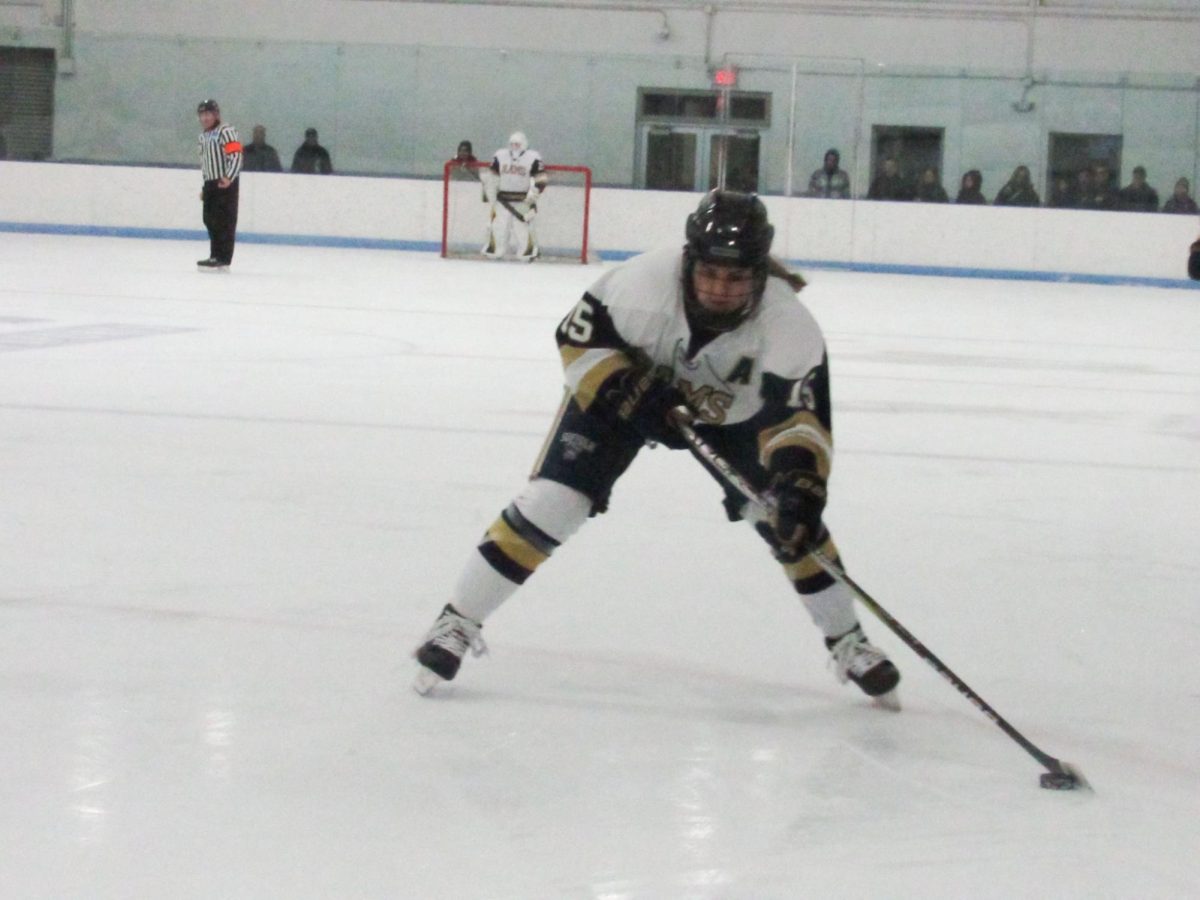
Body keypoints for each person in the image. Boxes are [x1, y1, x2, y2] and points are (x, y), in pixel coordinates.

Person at [413, 190, 902, 707]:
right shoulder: (639, 285)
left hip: (734, 417)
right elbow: (576, 341)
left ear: (759, 275)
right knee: (554, 502)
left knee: (786, 518)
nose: (719, 289)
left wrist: (799, 483)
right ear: (689, 262)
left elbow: (798, 421)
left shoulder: (789, 326)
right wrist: (623, 390)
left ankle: (848, 640)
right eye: (709, 273)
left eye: (736, 279)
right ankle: (456, 621)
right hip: (628, 393)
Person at [482, 131, 547, 261]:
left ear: (524, 144)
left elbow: (541, 179)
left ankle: (527, 253)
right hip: (502, 200)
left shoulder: (533, 157)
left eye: (517, 144)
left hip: (523, 200)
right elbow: (492, 176)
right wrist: (491, 196)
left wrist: (532, 197)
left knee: (523, 228)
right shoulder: (500, 155)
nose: (514, 147)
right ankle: (495, 251)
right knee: (498, 227)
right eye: (512, 144)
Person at [195, 99, 242, 270]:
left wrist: (229, 177)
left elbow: (236, 155)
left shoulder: (226, 131)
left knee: (224, 221)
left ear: (216, 115)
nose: (205, 118)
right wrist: (204, 186)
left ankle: (223, 258)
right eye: (202, 115)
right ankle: (215, 255)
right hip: (210, 183)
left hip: (225, 182)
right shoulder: (203, 136)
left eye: (208, 114)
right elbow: (206, 163)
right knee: (209, 219)